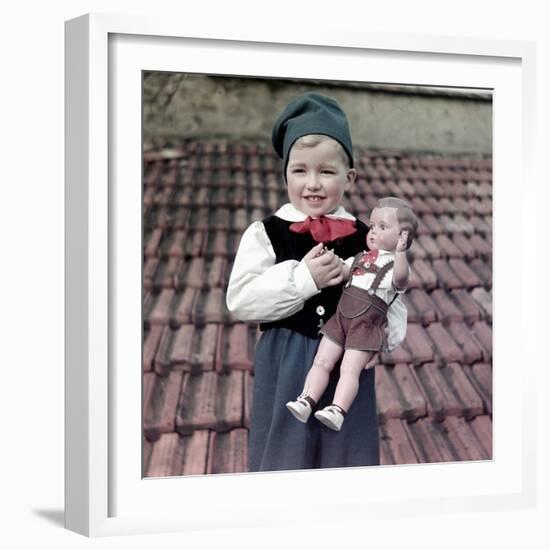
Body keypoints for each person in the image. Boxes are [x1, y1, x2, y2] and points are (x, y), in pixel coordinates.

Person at [226, 92, 407, 472]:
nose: (313, 183)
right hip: (285, 359)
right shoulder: (265, 233)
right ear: (285, 174)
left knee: (345, 454)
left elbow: (391, 293)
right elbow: (240, 300)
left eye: (326, 172)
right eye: (300, 170)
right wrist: (303, 279)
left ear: (349, 177)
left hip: (347, 360)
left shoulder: (368, 236)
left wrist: (383, 336)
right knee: (285, 457)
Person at [286, 197, 417, 431]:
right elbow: (343, 271)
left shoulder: (395, 267)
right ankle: (306, 400)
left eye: (382, 227)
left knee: (349, 369)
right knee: (322, 361)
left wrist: (400, 252)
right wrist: (327, 260)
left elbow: (401, 279)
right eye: (373, 225)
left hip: (366, 325)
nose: (373, 231)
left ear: (402, 236)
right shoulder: (361, 257)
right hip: (341, 317)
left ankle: (337, 409)